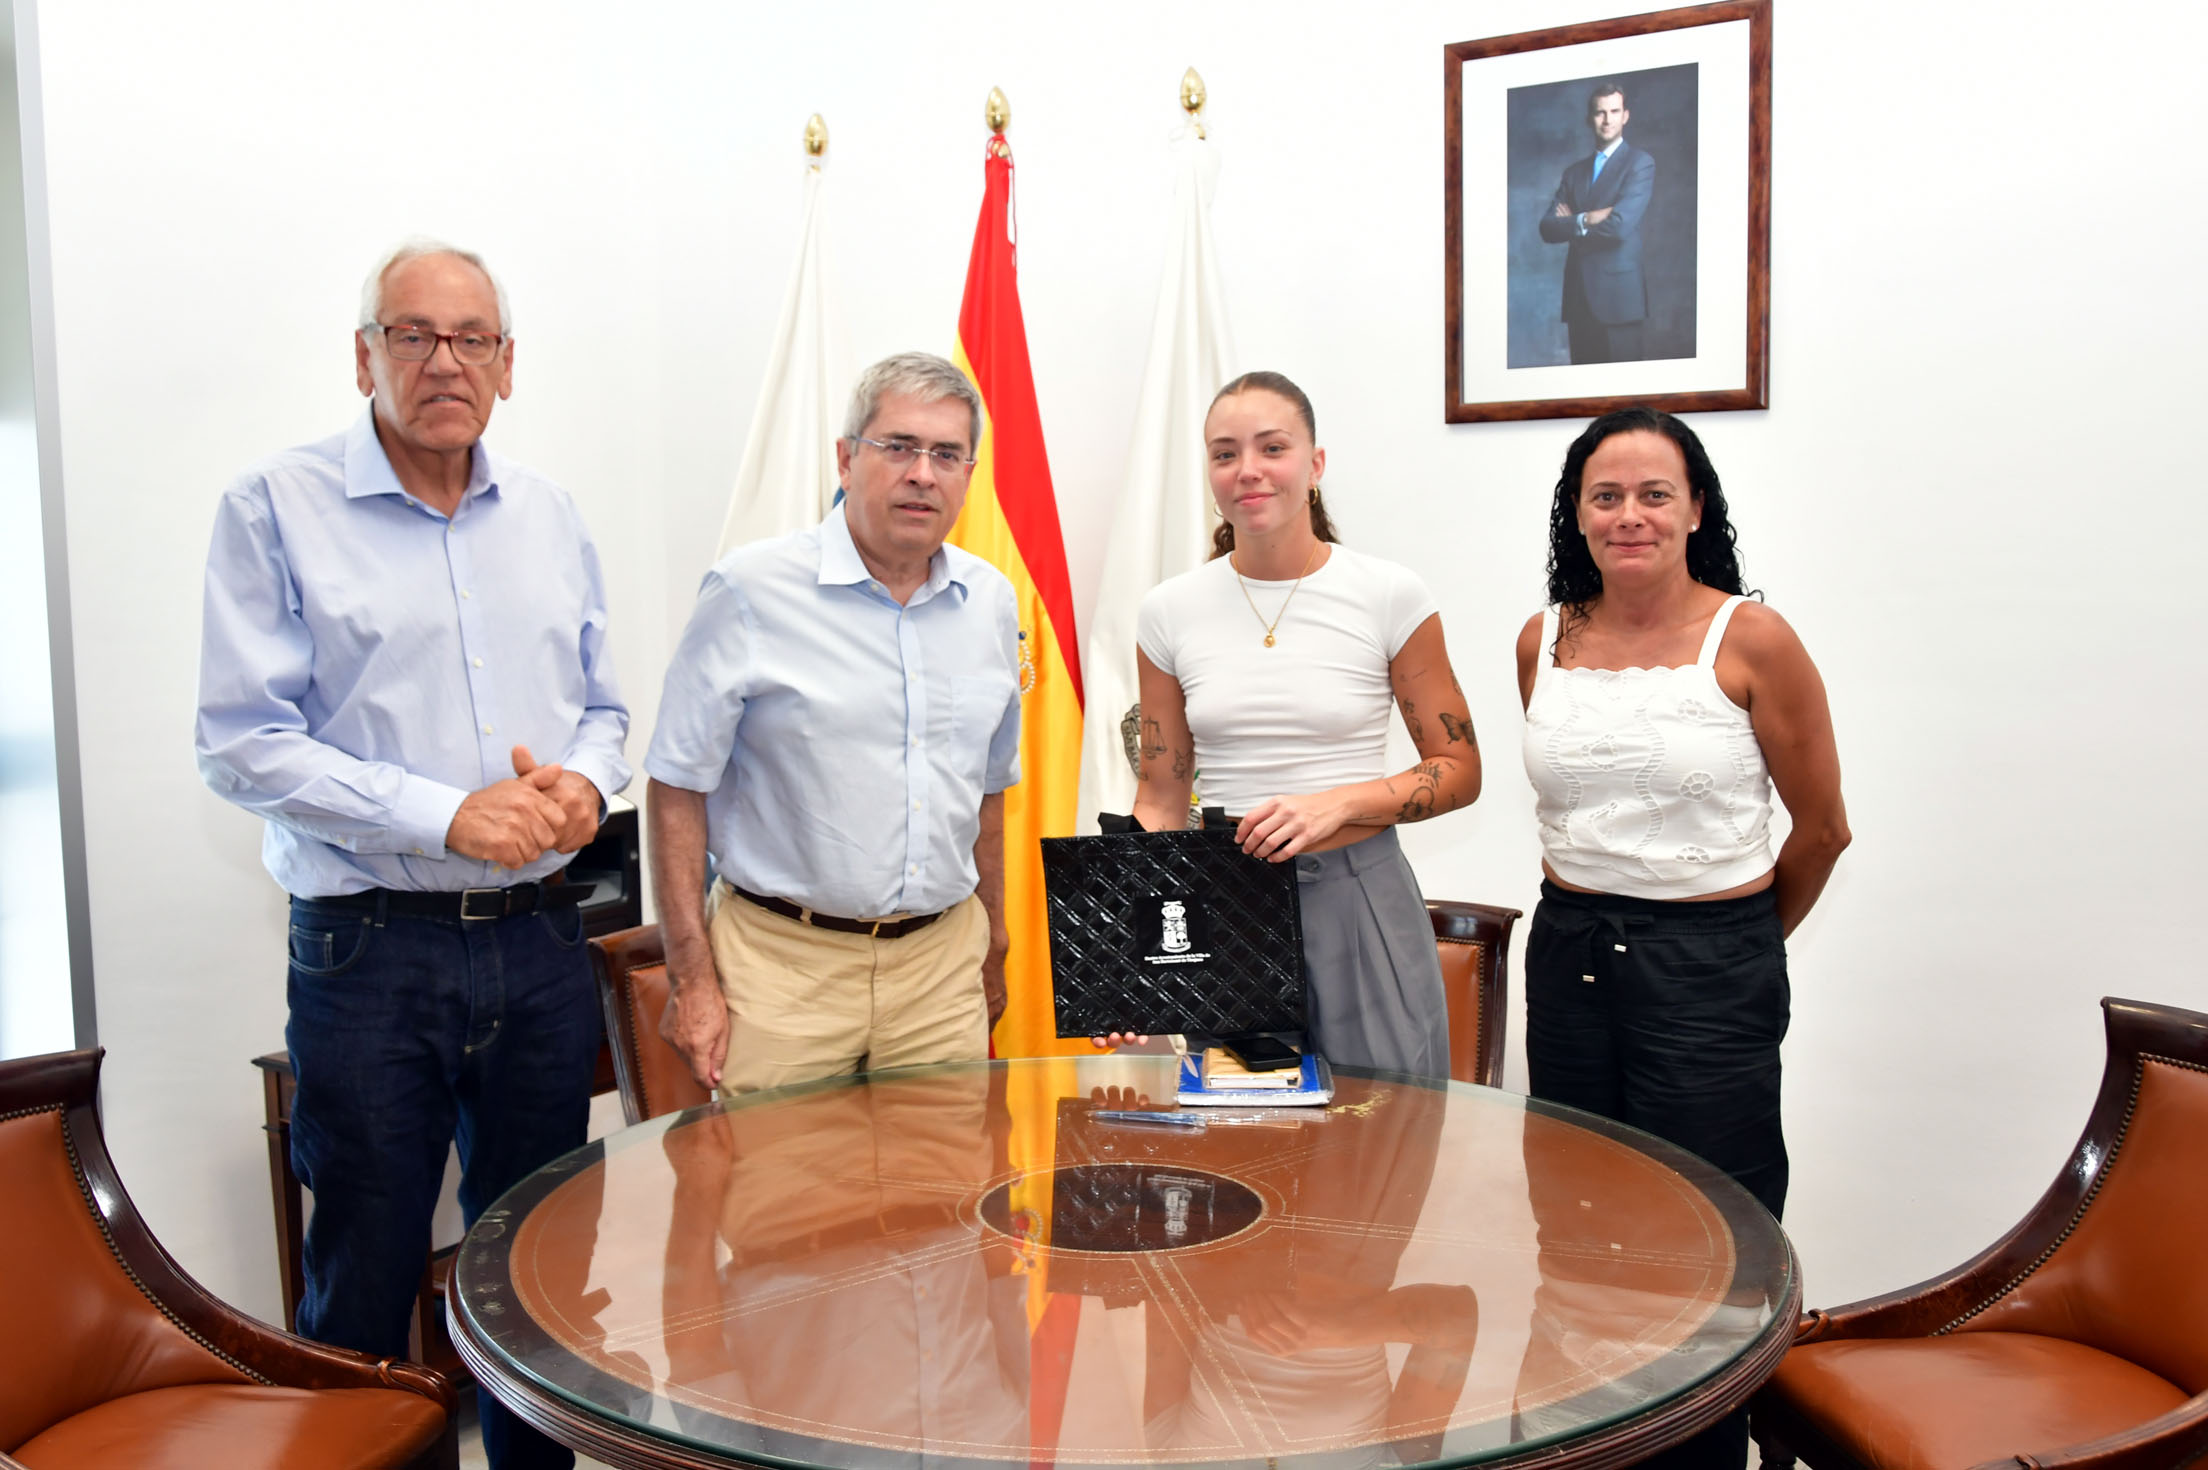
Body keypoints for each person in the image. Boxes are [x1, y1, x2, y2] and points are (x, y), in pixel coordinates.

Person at [196, 239, 629, 1470]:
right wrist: (444, 813)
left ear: (506, 365)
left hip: (544, 943)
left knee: (541, 1266)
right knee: (369, 1273)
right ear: (363, 355)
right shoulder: (273, 507)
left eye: (472, 338)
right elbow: (240, 743)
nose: (445, 360)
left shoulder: (550, 516)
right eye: (413, 335)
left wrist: (587, 782)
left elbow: (605, 703)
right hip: (370, 953)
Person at [1514, 406, 1849, 1468]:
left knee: (1713, 1241)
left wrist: (1736, 949)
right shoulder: (1544, 638)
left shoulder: (1751, 638)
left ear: (1696, 508)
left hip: (1710, 970)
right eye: (1606, 495)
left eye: (1655, 493)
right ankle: (1590, 1446)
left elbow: (1824, 830)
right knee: (1575, 1225)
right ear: (1577, 511)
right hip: (1568, 960)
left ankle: (1704, 1456)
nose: (1630, 515)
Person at [649, 352, 1020, 1097]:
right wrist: (691, 977)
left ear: (968, 475)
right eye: (899, 446)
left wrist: (994, 941)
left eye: (947, 454)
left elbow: (987, 792)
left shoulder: (991, 603)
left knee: (942, 1204)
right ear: (847, 459)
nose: (923, 473)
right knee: (781, 1205)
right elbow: (675, 790)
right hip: (784, 969)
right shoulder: (750, 591)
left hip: (940, 970)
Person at [1102, 371, 1481, 1077]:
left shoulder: (1389, 594)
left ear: (1315, 464)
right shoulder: (1168, 612)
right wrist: (1134, 949)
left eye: (1271, 447)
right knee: (1245, 1158)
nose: (1248, 470)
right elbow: (1158, 798)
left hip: (1359, 893)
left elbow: (1459, 772)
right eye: (1224, 453)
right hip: (1226, 902)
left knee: (1382, 1144)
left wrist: (1338, 803)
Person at [1536, 80, 1655, 365]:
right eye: (1600, 112)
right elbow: (1547, 228)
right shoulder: (1574, 173)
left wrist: (1573, 226)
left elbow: (1619, 227)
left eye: (1614, 111)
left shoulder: (1640, 163)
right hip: (1579, 300)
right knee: (1583, 398)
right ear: (1590, 118)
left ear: (1625, 116)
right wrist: (1587, 218)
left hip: (1619, 300)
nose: (1607, 120)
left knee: (1625, 398)